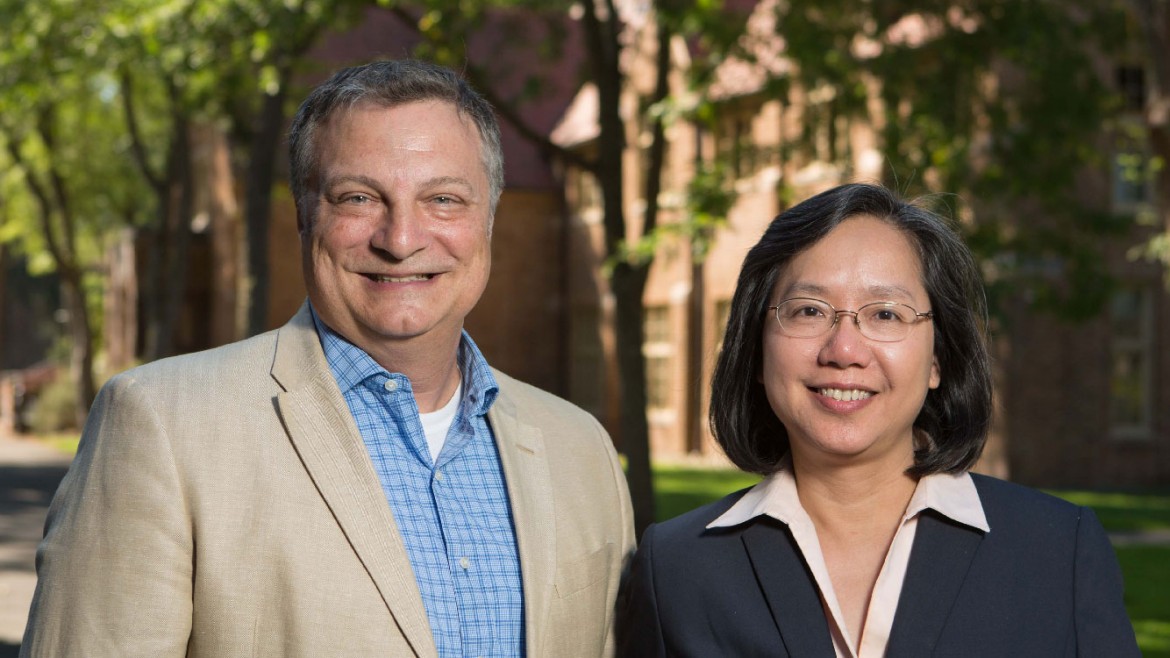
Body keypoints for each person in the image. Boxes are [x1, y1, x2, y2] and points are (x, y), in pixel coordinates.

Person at [21, 59, 634, 658]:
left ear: (489, 221)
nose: (400, 240)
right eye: (359, 198)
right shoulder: (162, 427)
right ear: (303, 213)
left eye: (444, 199)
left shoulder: (581, 451)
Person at [617, 183, 1139, 657]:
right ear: (756, 351)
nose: (844, 349)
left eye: (886, 313)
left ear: (938, 359)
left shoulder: (1057, 552)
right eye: (808, 311)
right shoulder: (678, 569)